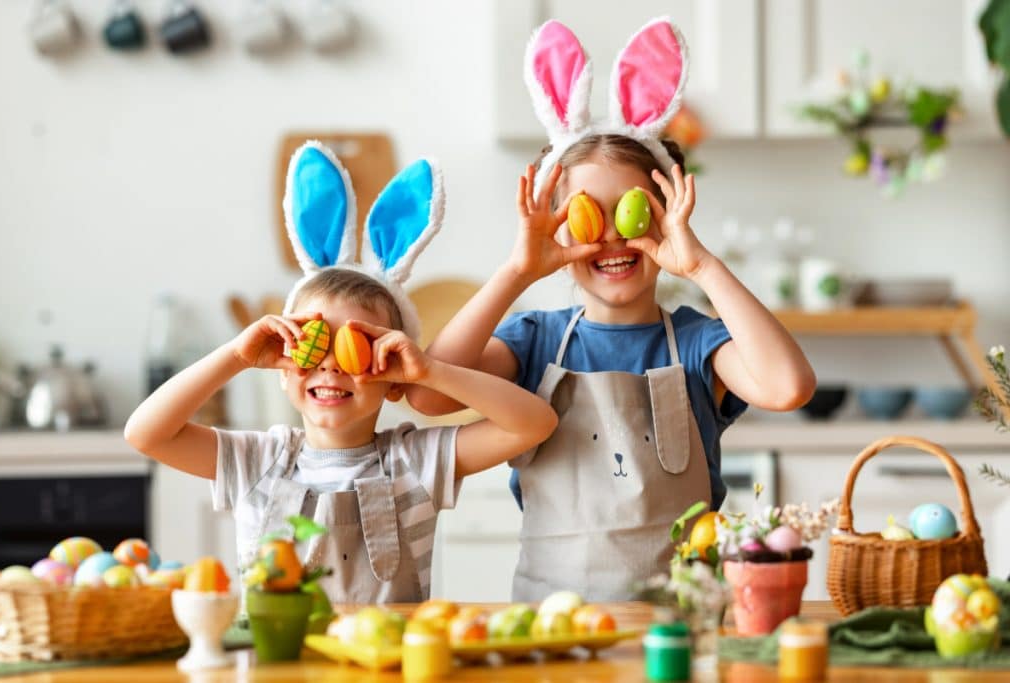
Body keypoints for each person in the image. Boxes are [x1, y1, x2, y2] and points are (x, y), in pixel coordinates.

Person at [406, 18, 816, 601]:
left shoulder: (701, 344)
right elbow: (428, 394)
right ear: (555, 227)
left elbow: (788, 387)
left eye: (632, 213)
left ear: (667, 212)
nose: (614, 241)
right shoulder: (532, 342)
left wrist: (699, 265)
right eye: (585, 217)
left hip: (679, 629)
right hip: (553, 628)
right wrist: (517, 270)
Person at [124, 143, 558, 603]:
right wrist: (235, 355)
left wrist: (428, 372)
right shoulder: (256, 461)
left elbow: (535, 423)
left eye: (354, 348)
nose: (330, 363)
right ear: (283, 368)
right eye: (313, 346)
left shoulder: (417, 462)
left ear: (393, 378)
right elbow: (145, 434)